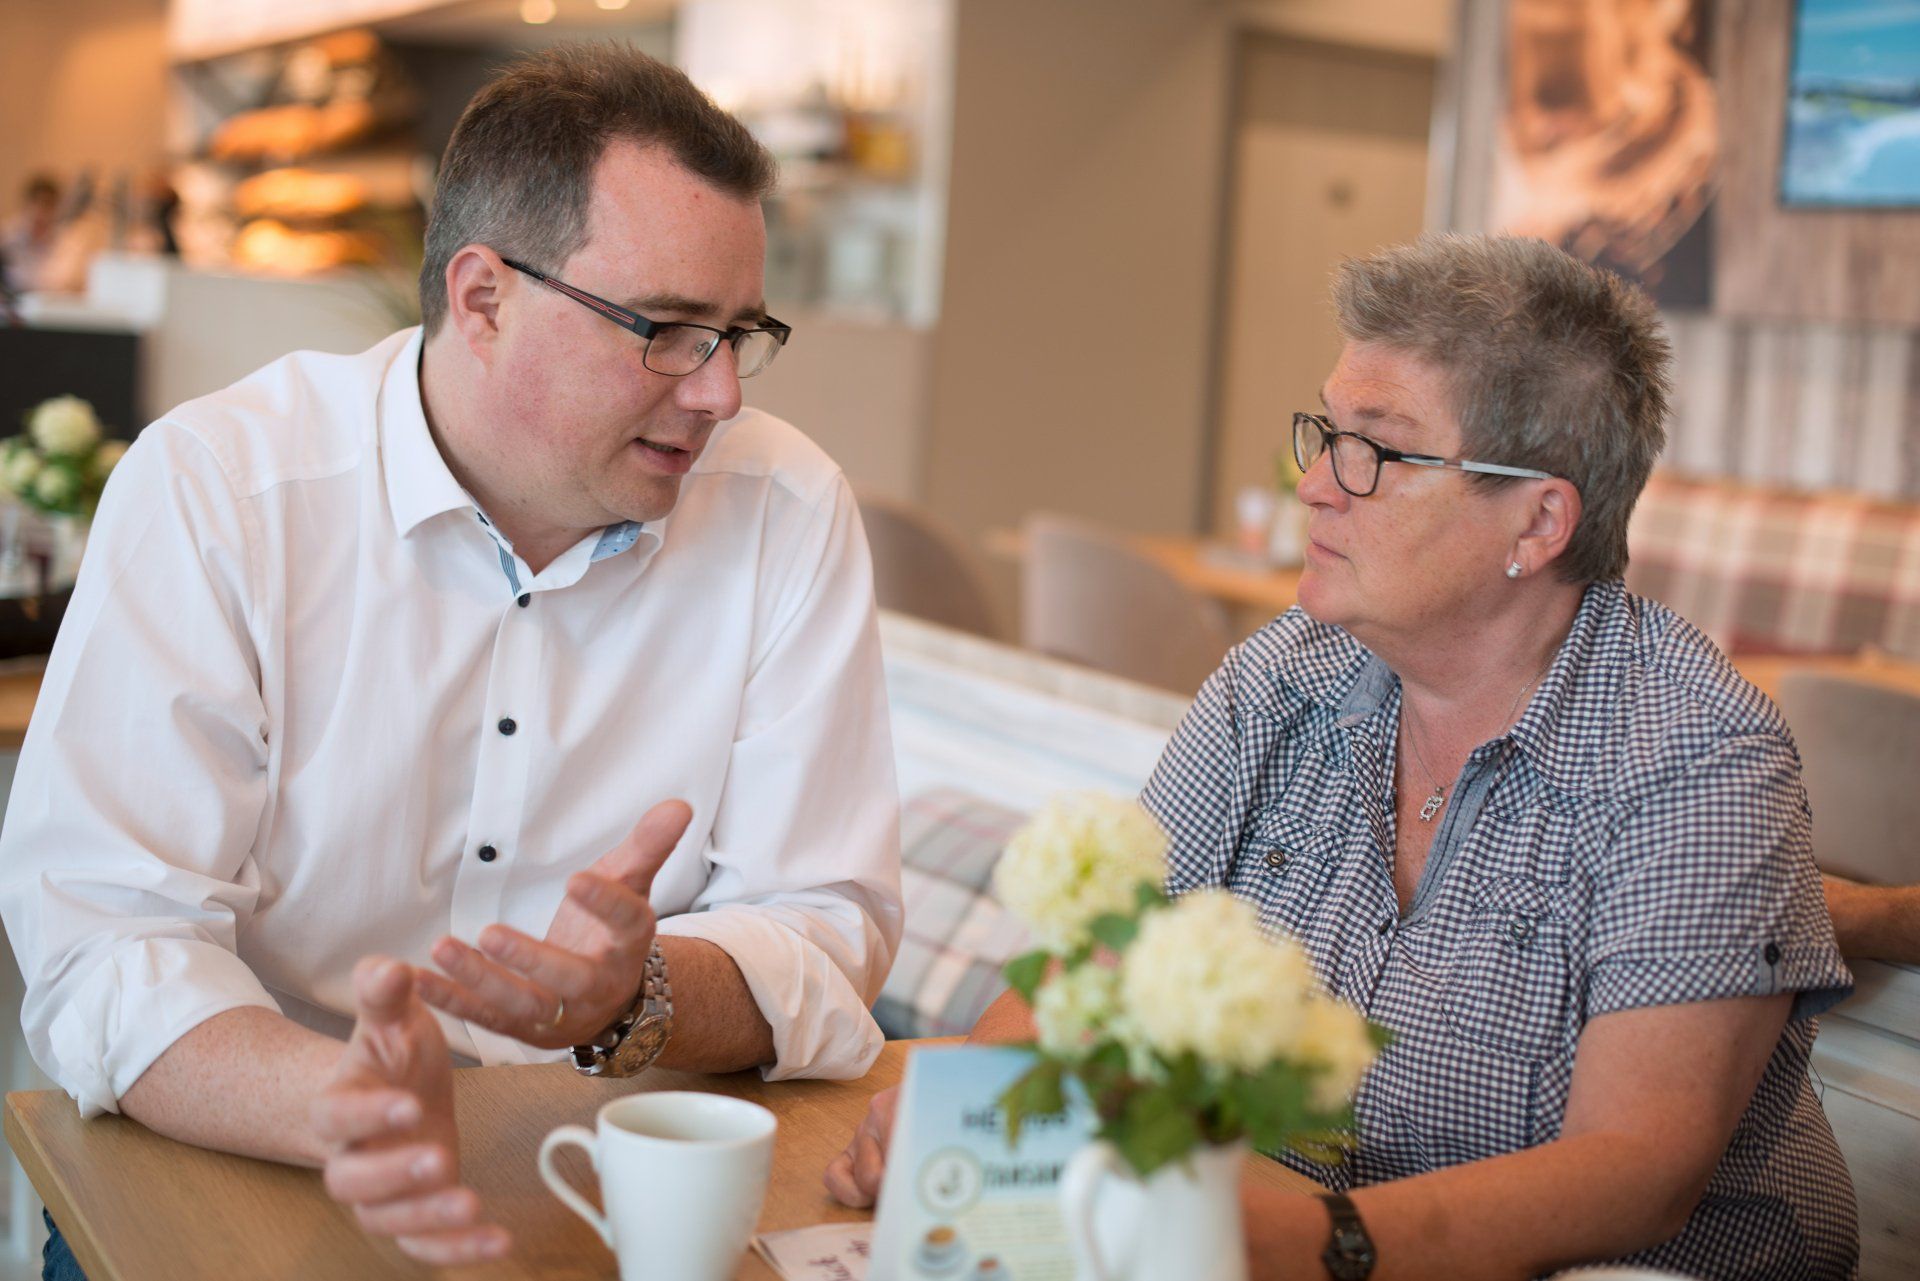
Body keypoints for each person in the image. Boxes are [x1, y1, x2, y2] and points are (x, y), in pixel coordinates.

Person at [0, 44, 901, 1271]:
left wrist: (635, 993)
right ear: (482, 299)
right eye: (670, 331)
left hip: (601, 1175)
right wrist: (341, 1106)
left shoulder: (784, 511)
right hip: (240, 1151)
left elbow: (829, 925)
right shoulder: (223, 489)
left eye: (740, 332)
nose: (722, 395)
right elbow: (106, 933)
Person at [828, 234, 1857, 1280]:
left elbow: (1635, 1169)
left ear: (1539, 520)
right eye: (1325, 434)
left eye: (1377, 452)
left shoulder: (1698, 756)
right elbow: (1095, 965)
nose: (1314, 486)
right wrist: (973, 1119)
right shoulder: (1282, 676)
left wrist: (1314, 1244)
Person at [0, 173, 62, 296]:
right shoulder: (6, 237)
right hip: (11, 302)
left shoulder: (64, 240)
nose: (41, 211)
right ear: (26, 205)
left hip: (49, 302)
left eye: (48, 205)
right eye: (37, 203)